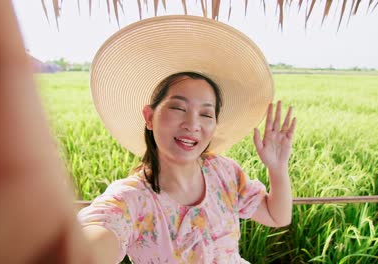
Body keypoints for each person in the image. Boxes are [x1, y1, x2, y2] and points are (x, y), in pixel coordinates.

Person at [78, 15, 296, 263]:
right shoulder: (132, 199)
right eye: (178, 109)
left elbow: (277, 216)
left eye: (205, 114)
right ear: (149, 117)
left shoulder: (224, 173)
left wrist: (277, 169)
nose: (192, 125)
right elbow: (91, 242)